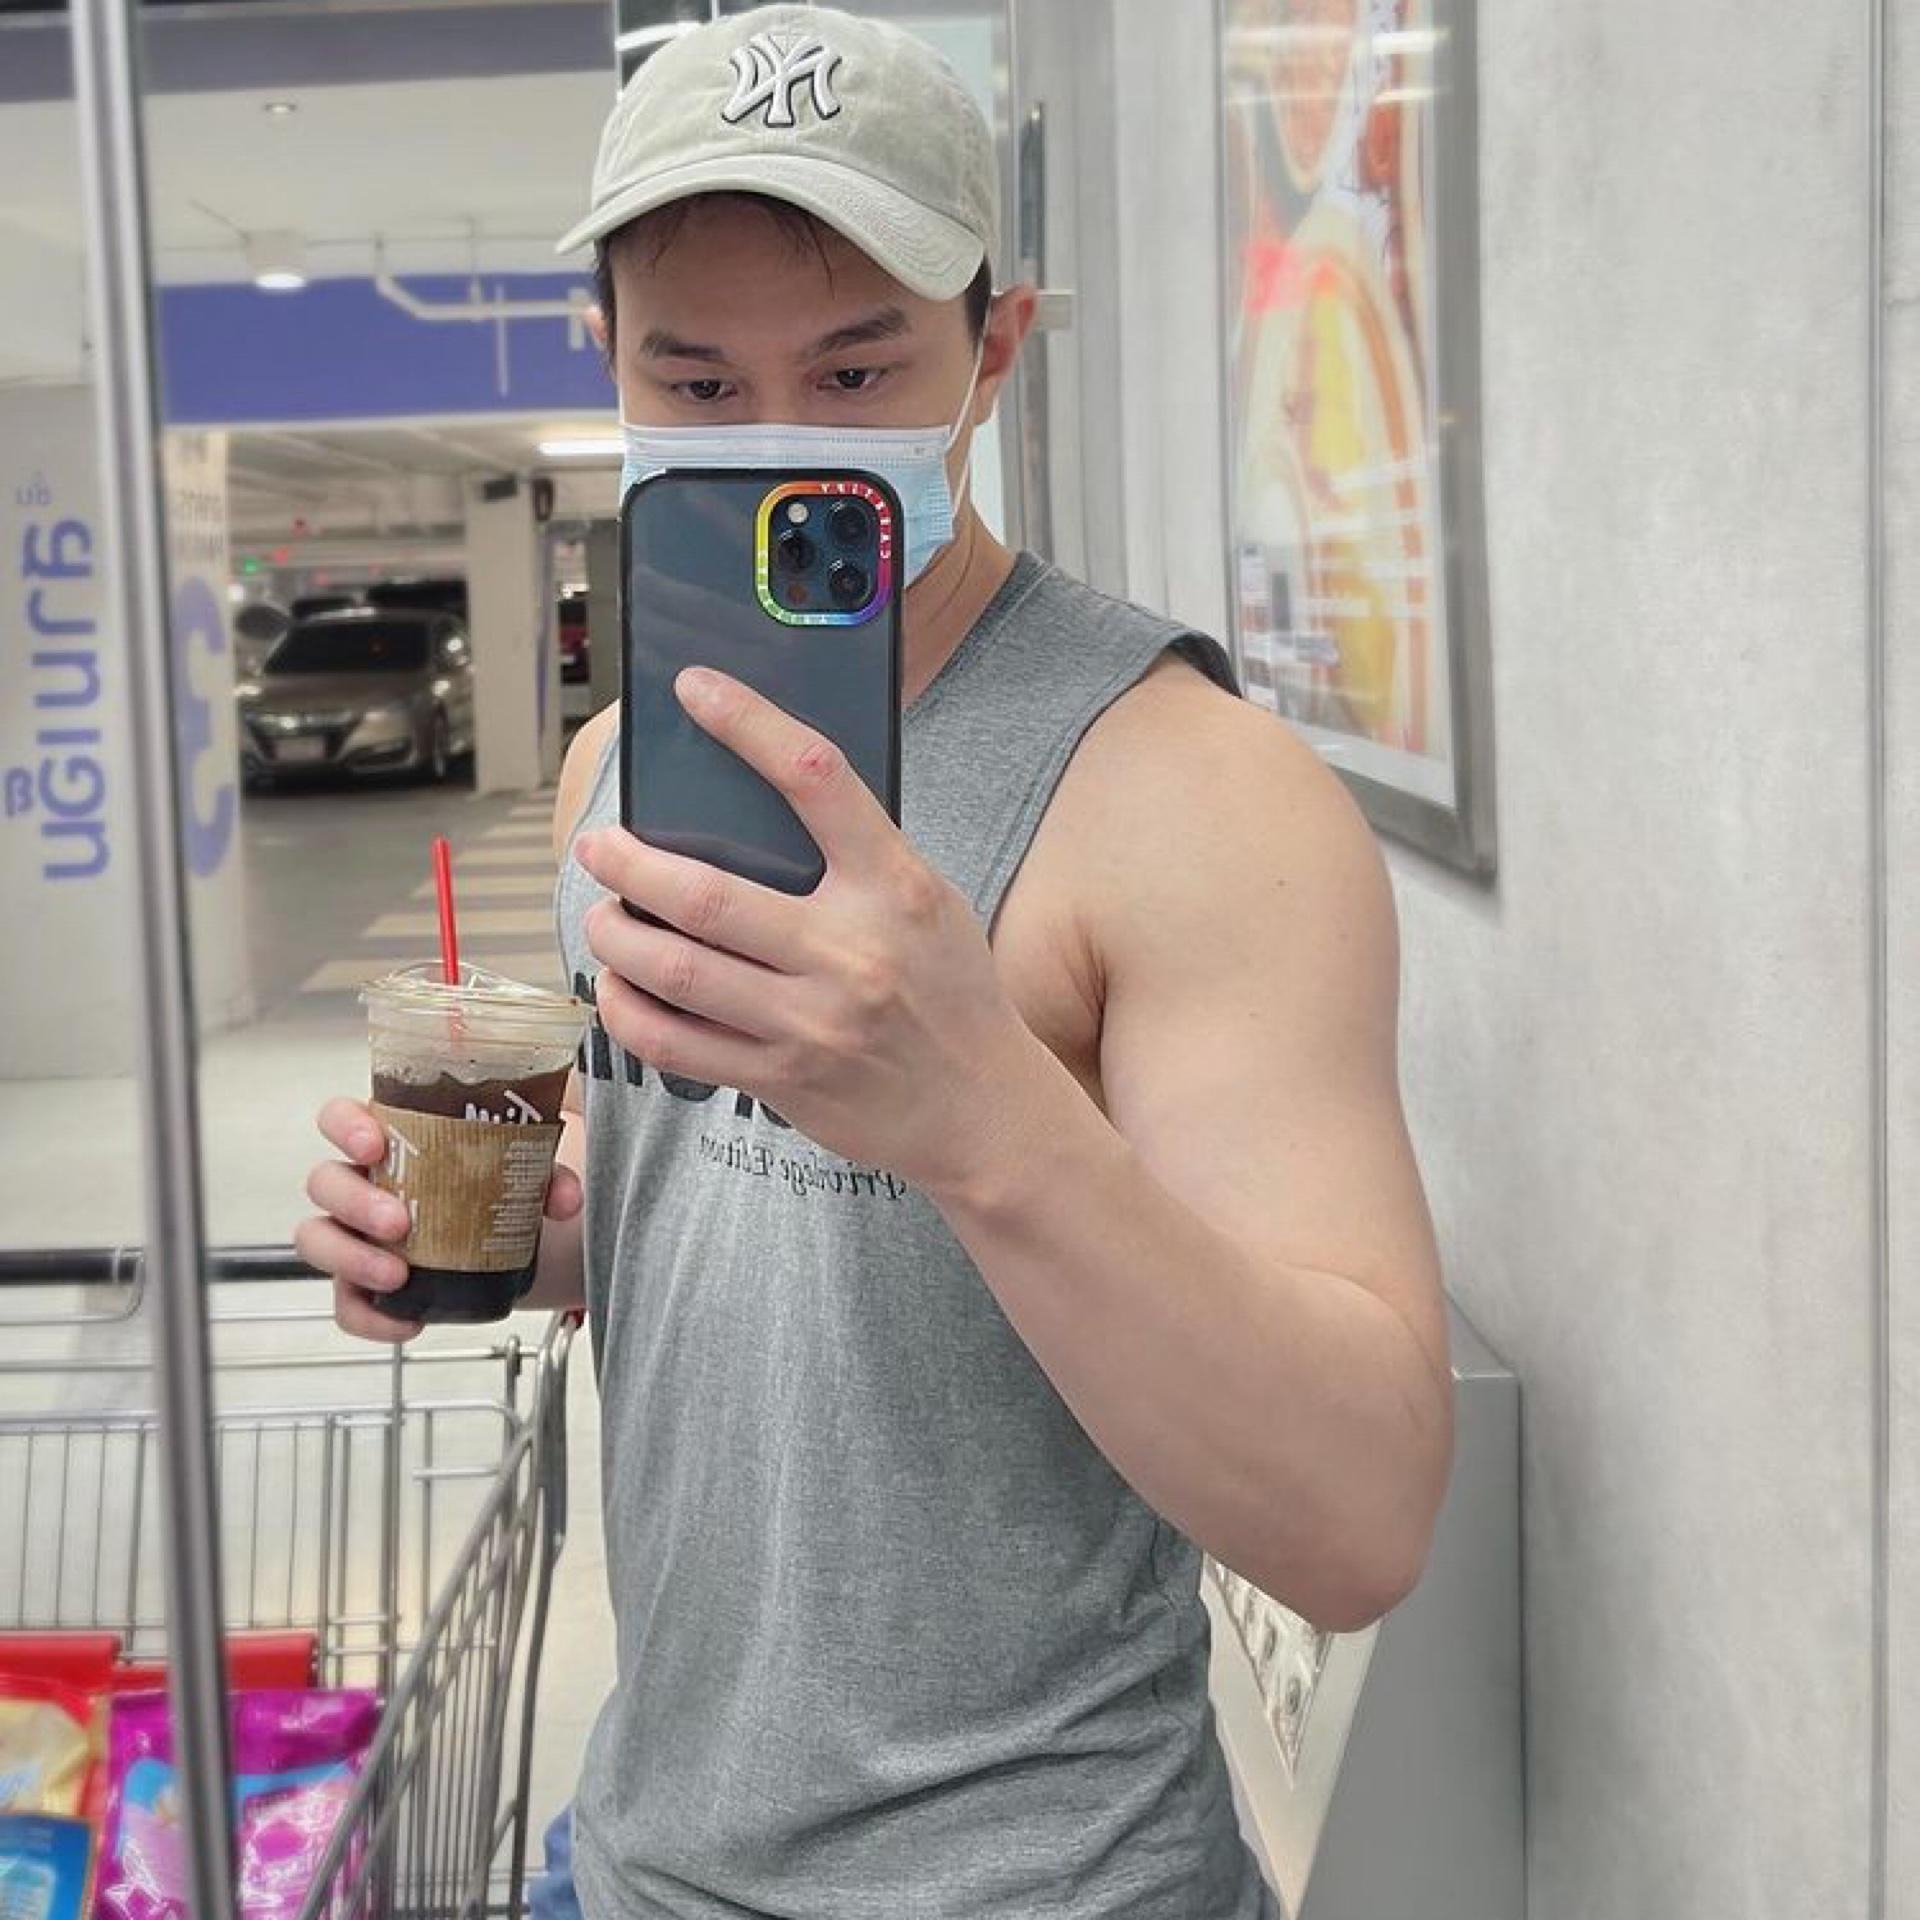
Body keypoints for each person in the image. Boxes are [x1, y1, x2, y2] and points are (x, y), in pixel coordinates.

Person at [296, 9, 1453, 1916]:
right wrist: (519, 1229)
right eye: (697, 379)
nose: (782, 440)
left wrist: (979, 1108)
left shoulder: (1197, 795)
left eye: (854, 369)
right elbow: (711, 1210)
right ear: (605, 357)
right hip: (643, 1851)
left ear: (994, 348)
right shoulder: (620, 765)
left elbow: (1361, 1513)